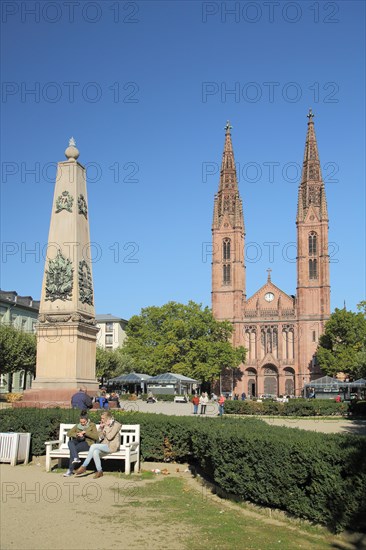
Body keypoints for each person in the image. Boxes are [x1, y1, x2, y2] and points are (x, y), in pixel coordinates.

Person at [75, 410, 122, 479]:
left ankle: (84, 466)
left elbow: (110, 437)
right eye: (101, 418)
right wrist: (101, 428)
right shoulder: (104, 424)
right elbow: (99, 437)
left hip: (112, 446)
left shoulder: (116, 425)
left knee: (93, 446)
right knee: (95, 452)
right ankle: (99, 471)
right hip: (105, 445)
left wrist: (106, 427)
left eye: (103, 418)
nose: (101, 420)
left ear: (107, 418)